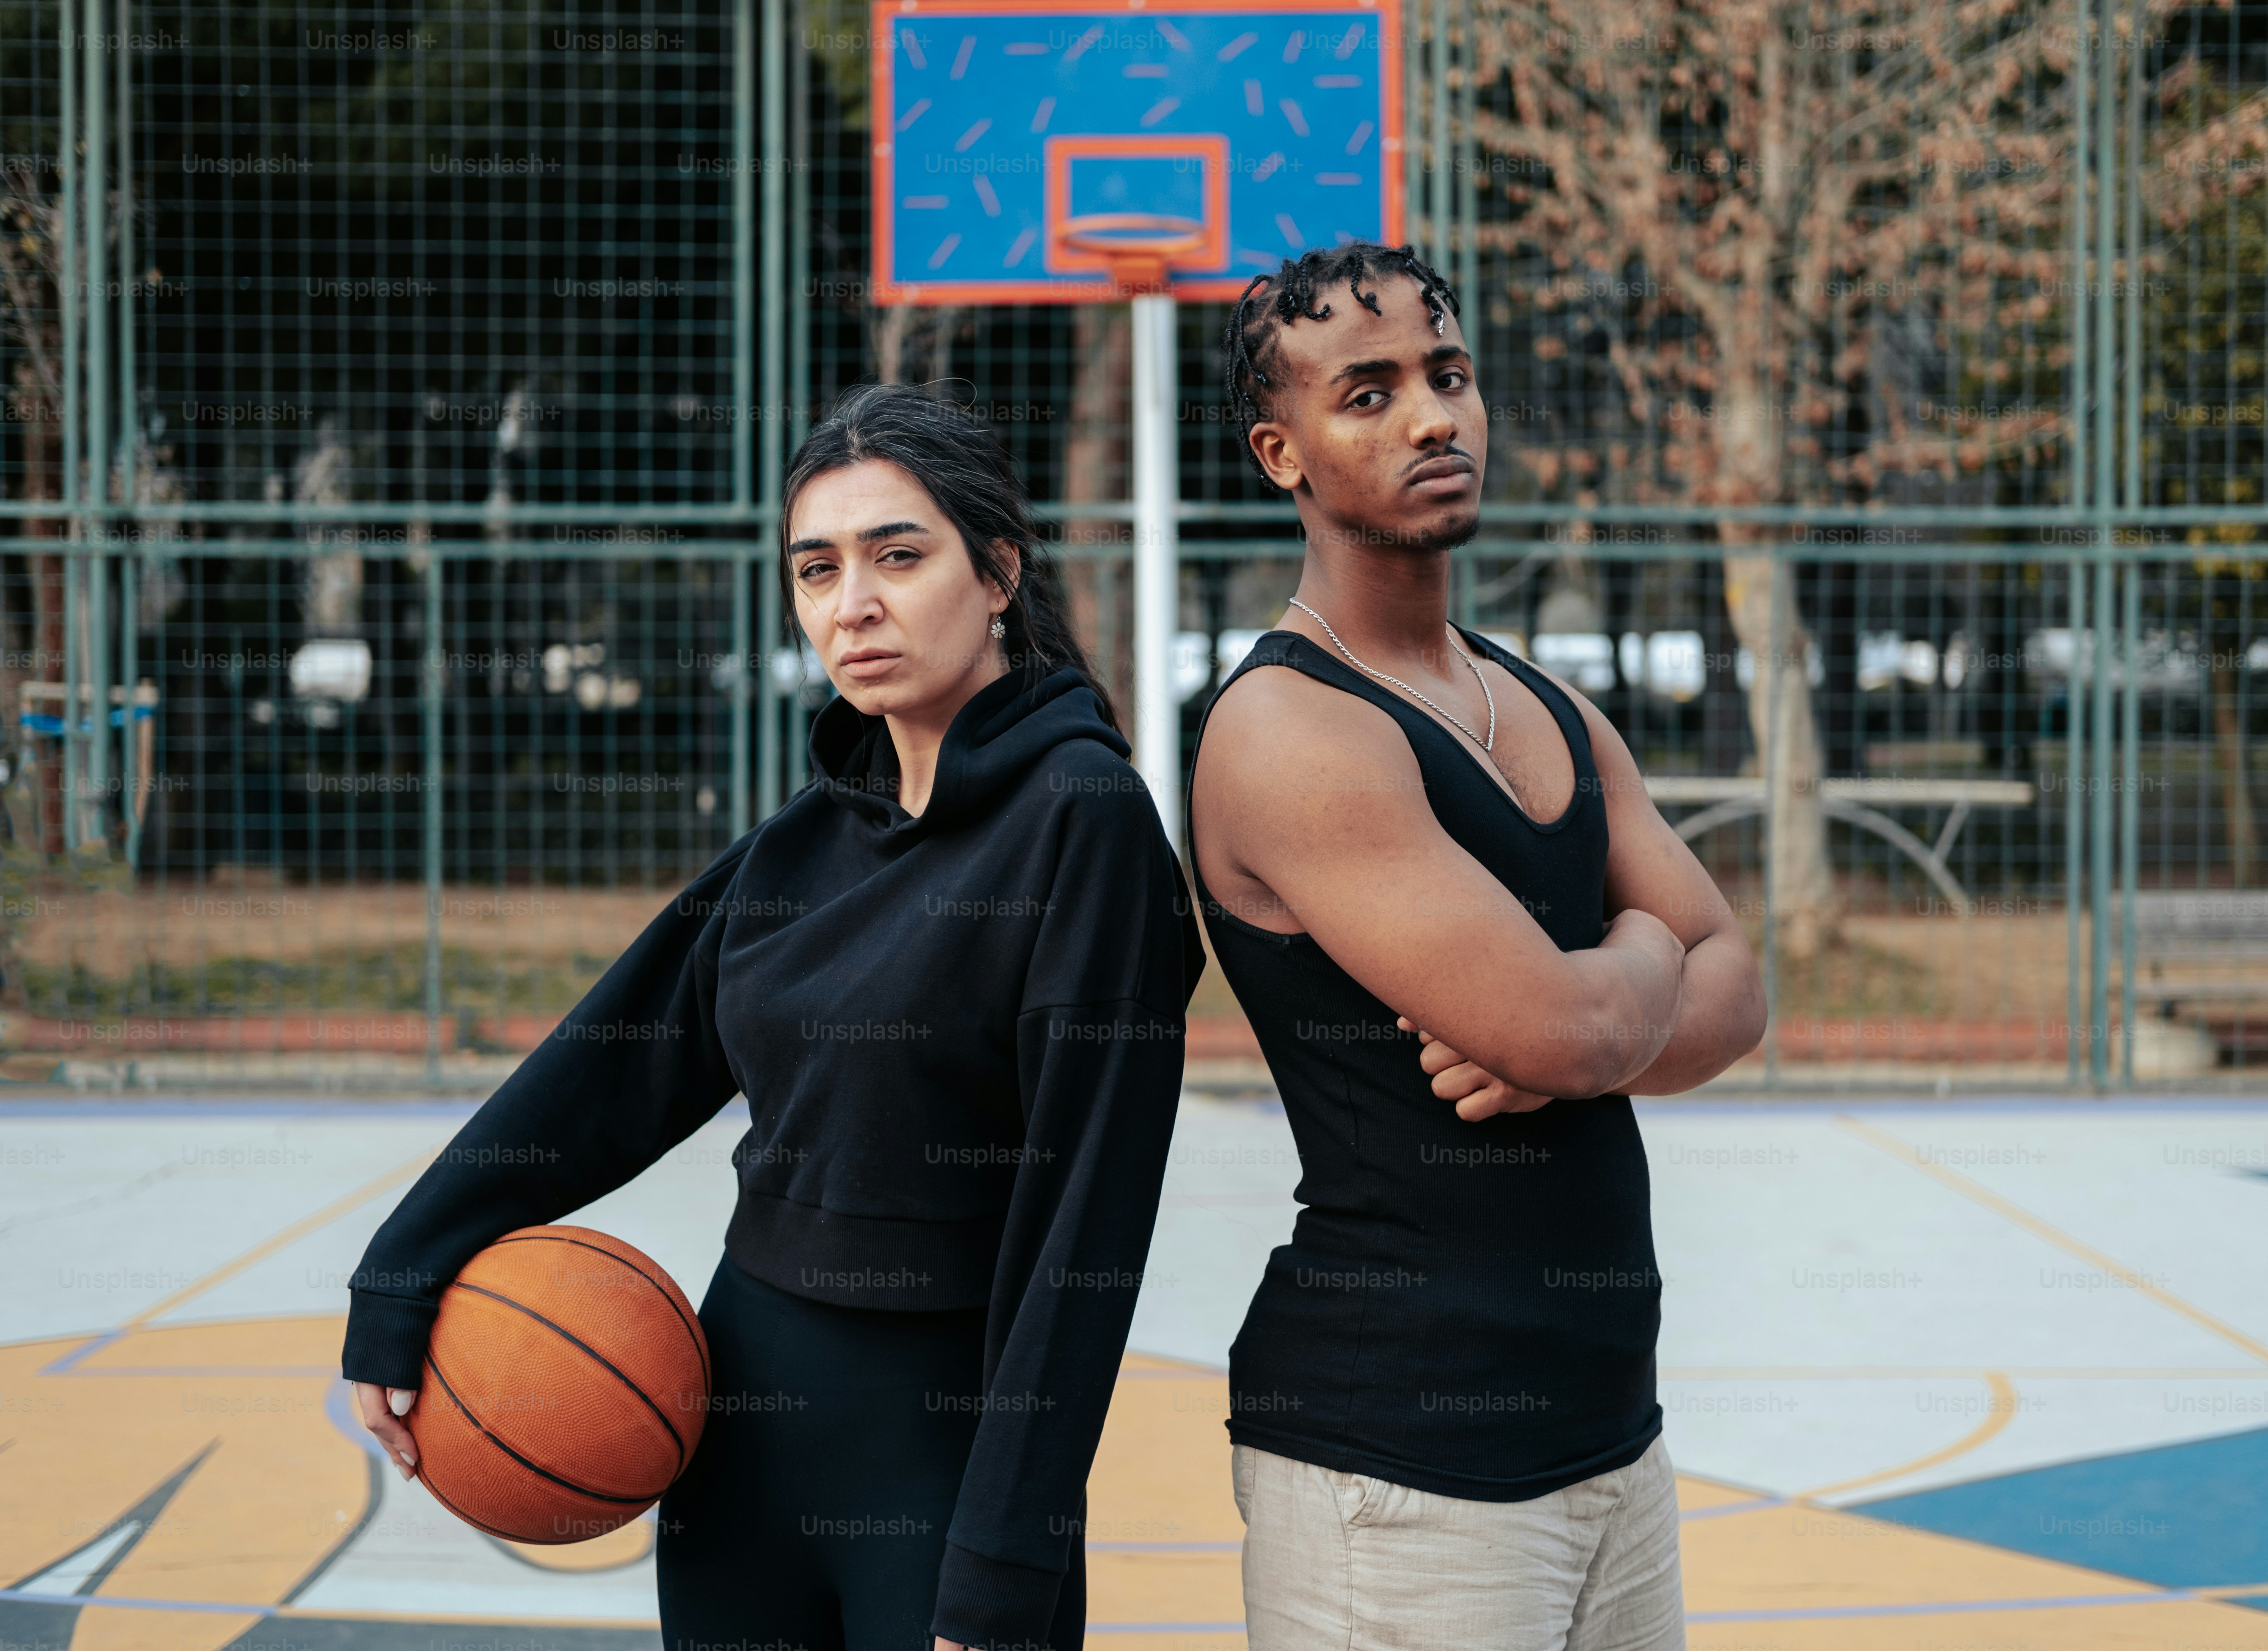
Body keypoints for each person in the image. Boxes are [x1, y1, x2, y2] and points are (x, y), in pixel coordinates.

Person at [342, 382, 1205, 1651]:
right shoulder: (808, 839)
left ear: (1000, 570)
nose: (852, 603)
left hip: (944, 1462)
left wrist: (1012, 1547)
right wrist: (404, 1268)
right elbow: (611, 1063)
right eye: (817, 569)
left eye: (897, 556)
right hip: (735, 1432)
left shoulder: (1084, 821)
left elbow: (1087, 1225)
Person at [1189, 243, 1767, 1649]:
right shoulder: (1288, 731)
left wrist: (1579, 1014)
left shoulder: (1544, 704)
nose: (1432, 418)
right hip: (1399, 1469)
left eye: (1448, 376)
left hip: (1613, 1444)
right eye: (1368, 394)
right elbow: (1585, 1027)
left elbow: (1740, 987)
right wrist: (1622, 982)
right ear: (1285, 454)